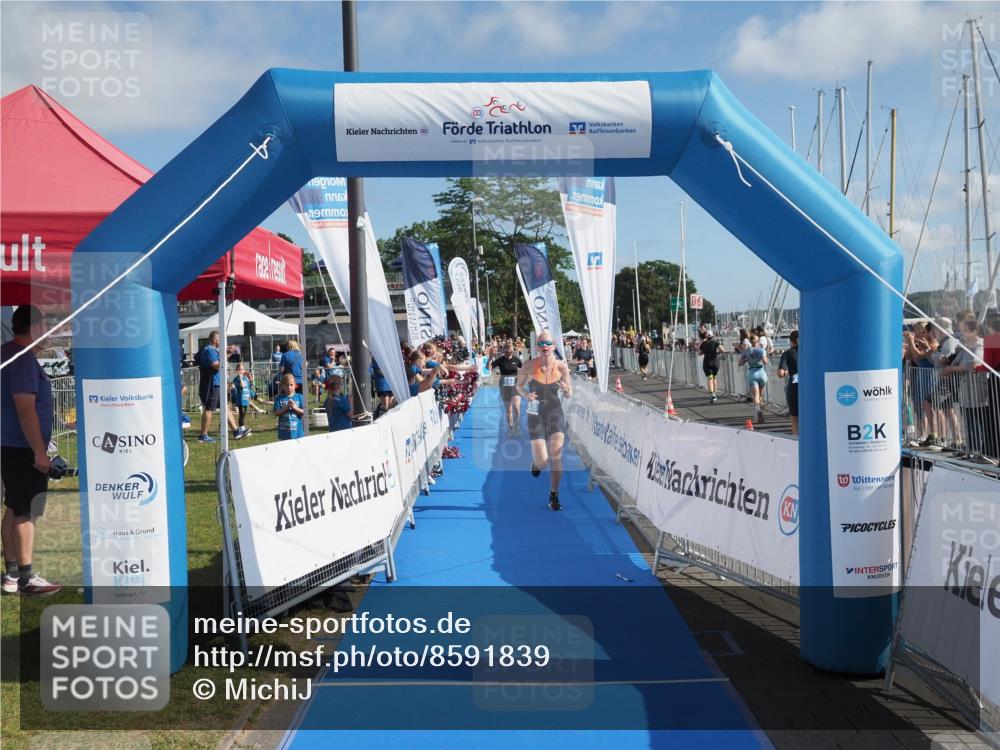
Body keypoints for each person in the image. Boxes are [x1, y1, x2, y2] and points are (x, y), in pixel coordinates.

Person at [1, 305, 61, 595]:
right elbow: (25, 409)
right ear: (36, 329)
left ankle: (12, 574)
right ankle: (26, 577)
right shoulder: (22, 359)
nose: (49, 334)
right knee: (26, 509)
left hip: (11, 443)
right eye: (47, 328)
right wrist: (39, 451)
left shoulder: (8, 353)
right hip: (22, 446)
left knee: (14, 507)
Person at [515, 329, 573, 511]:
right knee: (543, 462)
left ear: (553, 346)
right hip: (535, 414)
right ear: (537, 347)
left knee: (556, 455)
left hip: (555, 413)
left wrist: (566, 390)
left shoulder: (562, 367)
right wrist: (526, 395)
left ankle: (554, 495)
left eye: (548, 343)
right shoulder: (528, 366)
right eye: (541, 343)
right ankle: (536, 464)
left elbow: (569, 393)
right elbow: (518, 386)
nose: (545, 346)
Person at [197, 331, 239, 443]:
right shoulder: (209, 350)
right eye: (220, 339)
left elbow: (221, 363)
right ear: (215, 340)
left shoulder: (214, 350)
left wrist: (227, 354)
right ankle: (203, 435)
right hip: (212, 384)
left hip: (217, 383)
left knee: (225, 407)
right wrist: (226, 355)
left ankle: (236, 431)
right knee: (209, 408)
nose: (223, 342)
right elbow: (217, 366)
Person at [490, 342, 523, 436]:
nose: (509, 353)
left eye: (510, 352)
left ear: (513, 351)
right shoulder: (500, 360)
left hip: (515, 386)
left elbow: (524, 369)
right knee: (508, 410)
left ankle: (516, 426)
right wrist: (490, 358)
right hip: (504, 387)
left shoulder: (516, 360)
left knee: (516, 408)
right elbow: (488, 367)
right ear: (503, 351)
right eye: (507, 352)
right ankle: (511, 428)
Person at [739, 333, 768, 424]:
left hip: (752, 373)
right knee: (760, 395)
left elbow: (740, 363)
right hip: (761, 373)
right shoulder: (762, 350)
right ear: (757, 341)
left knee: (755, 395)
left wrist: (746, 360)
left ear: (750, 342)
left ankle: (758, 411)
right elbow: (765, 362)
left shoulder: (747, 351)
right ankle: (761, 412)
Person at [777, 330, 799, 435]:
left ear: (791, 341)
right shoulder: (809, 352)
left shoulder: (787, 353)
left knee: (794, 417)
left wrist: (785, 372)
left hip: (794, 386)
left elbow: (780, 373)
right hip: (809, 386)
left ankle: (796, 439)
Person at [274, 373, 305, 440]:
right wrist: (286, 407)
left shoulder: (300, 397)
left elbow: (304, 412)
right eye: (286, 385)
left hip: (298, 432)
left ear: (295, 385)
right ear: (282, 386)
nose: (289, 387)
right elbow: (276, 413)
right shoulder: (279, 398)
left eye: (291, 385)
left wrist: (295, 407)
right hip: (284, 432)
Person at [229, 363, 253, 440]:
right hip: (240, 399)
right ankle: (242, 430)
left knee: (244, 415)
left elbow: (248, 388)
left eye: (242, 369)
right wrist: (240, 377)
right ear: (236, 370)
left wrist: (249, 398)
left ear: (244, 370)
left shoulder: (246, 378)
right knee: (241, 415)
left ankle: (243, 429)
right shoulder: (236, 379)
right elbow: (242, 386)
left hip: (246, 398)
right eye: (239, 369)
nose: (240, 371)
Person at [699, 329, 723, 403]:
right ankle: (715, 393)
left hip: (707, 362)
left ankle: (713, 395)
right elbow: (722, 349)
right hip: (715, 361)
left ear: (706, 336)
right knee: (714, 378)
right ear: (712, 336)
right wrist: (717, 353)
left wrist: (705, 351)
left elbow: (699, 353)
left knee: (710, 378)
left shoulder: (703, 343)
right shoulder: (715, 342)